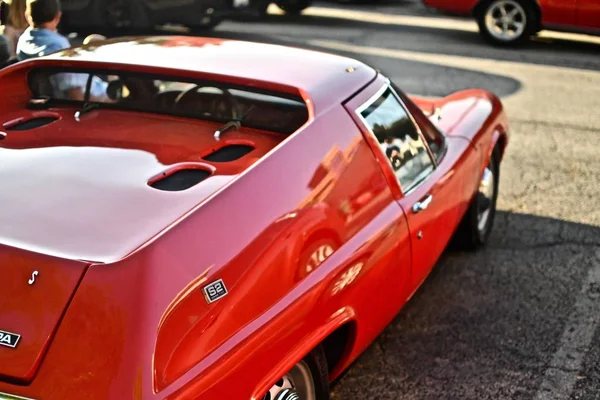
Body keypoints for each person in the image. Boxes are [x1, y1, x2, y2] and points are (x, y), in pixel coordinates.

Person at [16, 0, 109, 101]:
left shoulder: (23, 40)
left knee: (93, 40)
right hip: (93, 95)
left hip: (87, 87)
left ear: (26, 15)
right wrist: (106, 101)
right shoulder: (58, 46)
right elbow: (74, 94)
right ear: (58, 16)